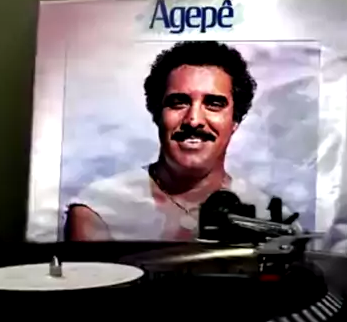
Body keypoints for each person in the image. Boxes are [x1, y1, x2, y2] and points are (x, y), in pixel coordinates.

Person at [65, 41, 291, 241]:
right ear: (156, 114)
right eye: (178, 102)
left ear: (235, 121)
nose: (193, 120)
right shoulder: (100, 210)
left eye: (213, 104)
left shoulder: (273, 220)